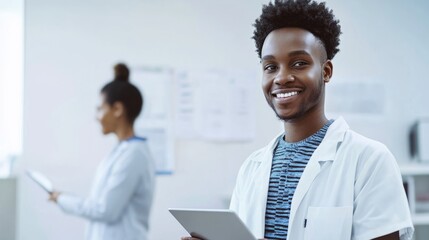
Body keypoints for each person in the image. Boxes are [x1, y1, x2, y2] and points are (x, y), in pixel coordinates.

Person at [182, 0, 414, 240]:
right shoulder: (251, 168)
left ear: (326, 71)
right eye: (270, 66)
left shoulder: (370, 161)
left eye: (299, 63)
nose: (281, 78)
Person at [49, 63, 156, 240]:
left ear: (117, 109)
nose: (97, 117)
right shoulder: (123, 151)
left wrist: (62, 199)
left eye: (100, 109)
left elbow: (105, 210)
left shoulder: (134, 155)